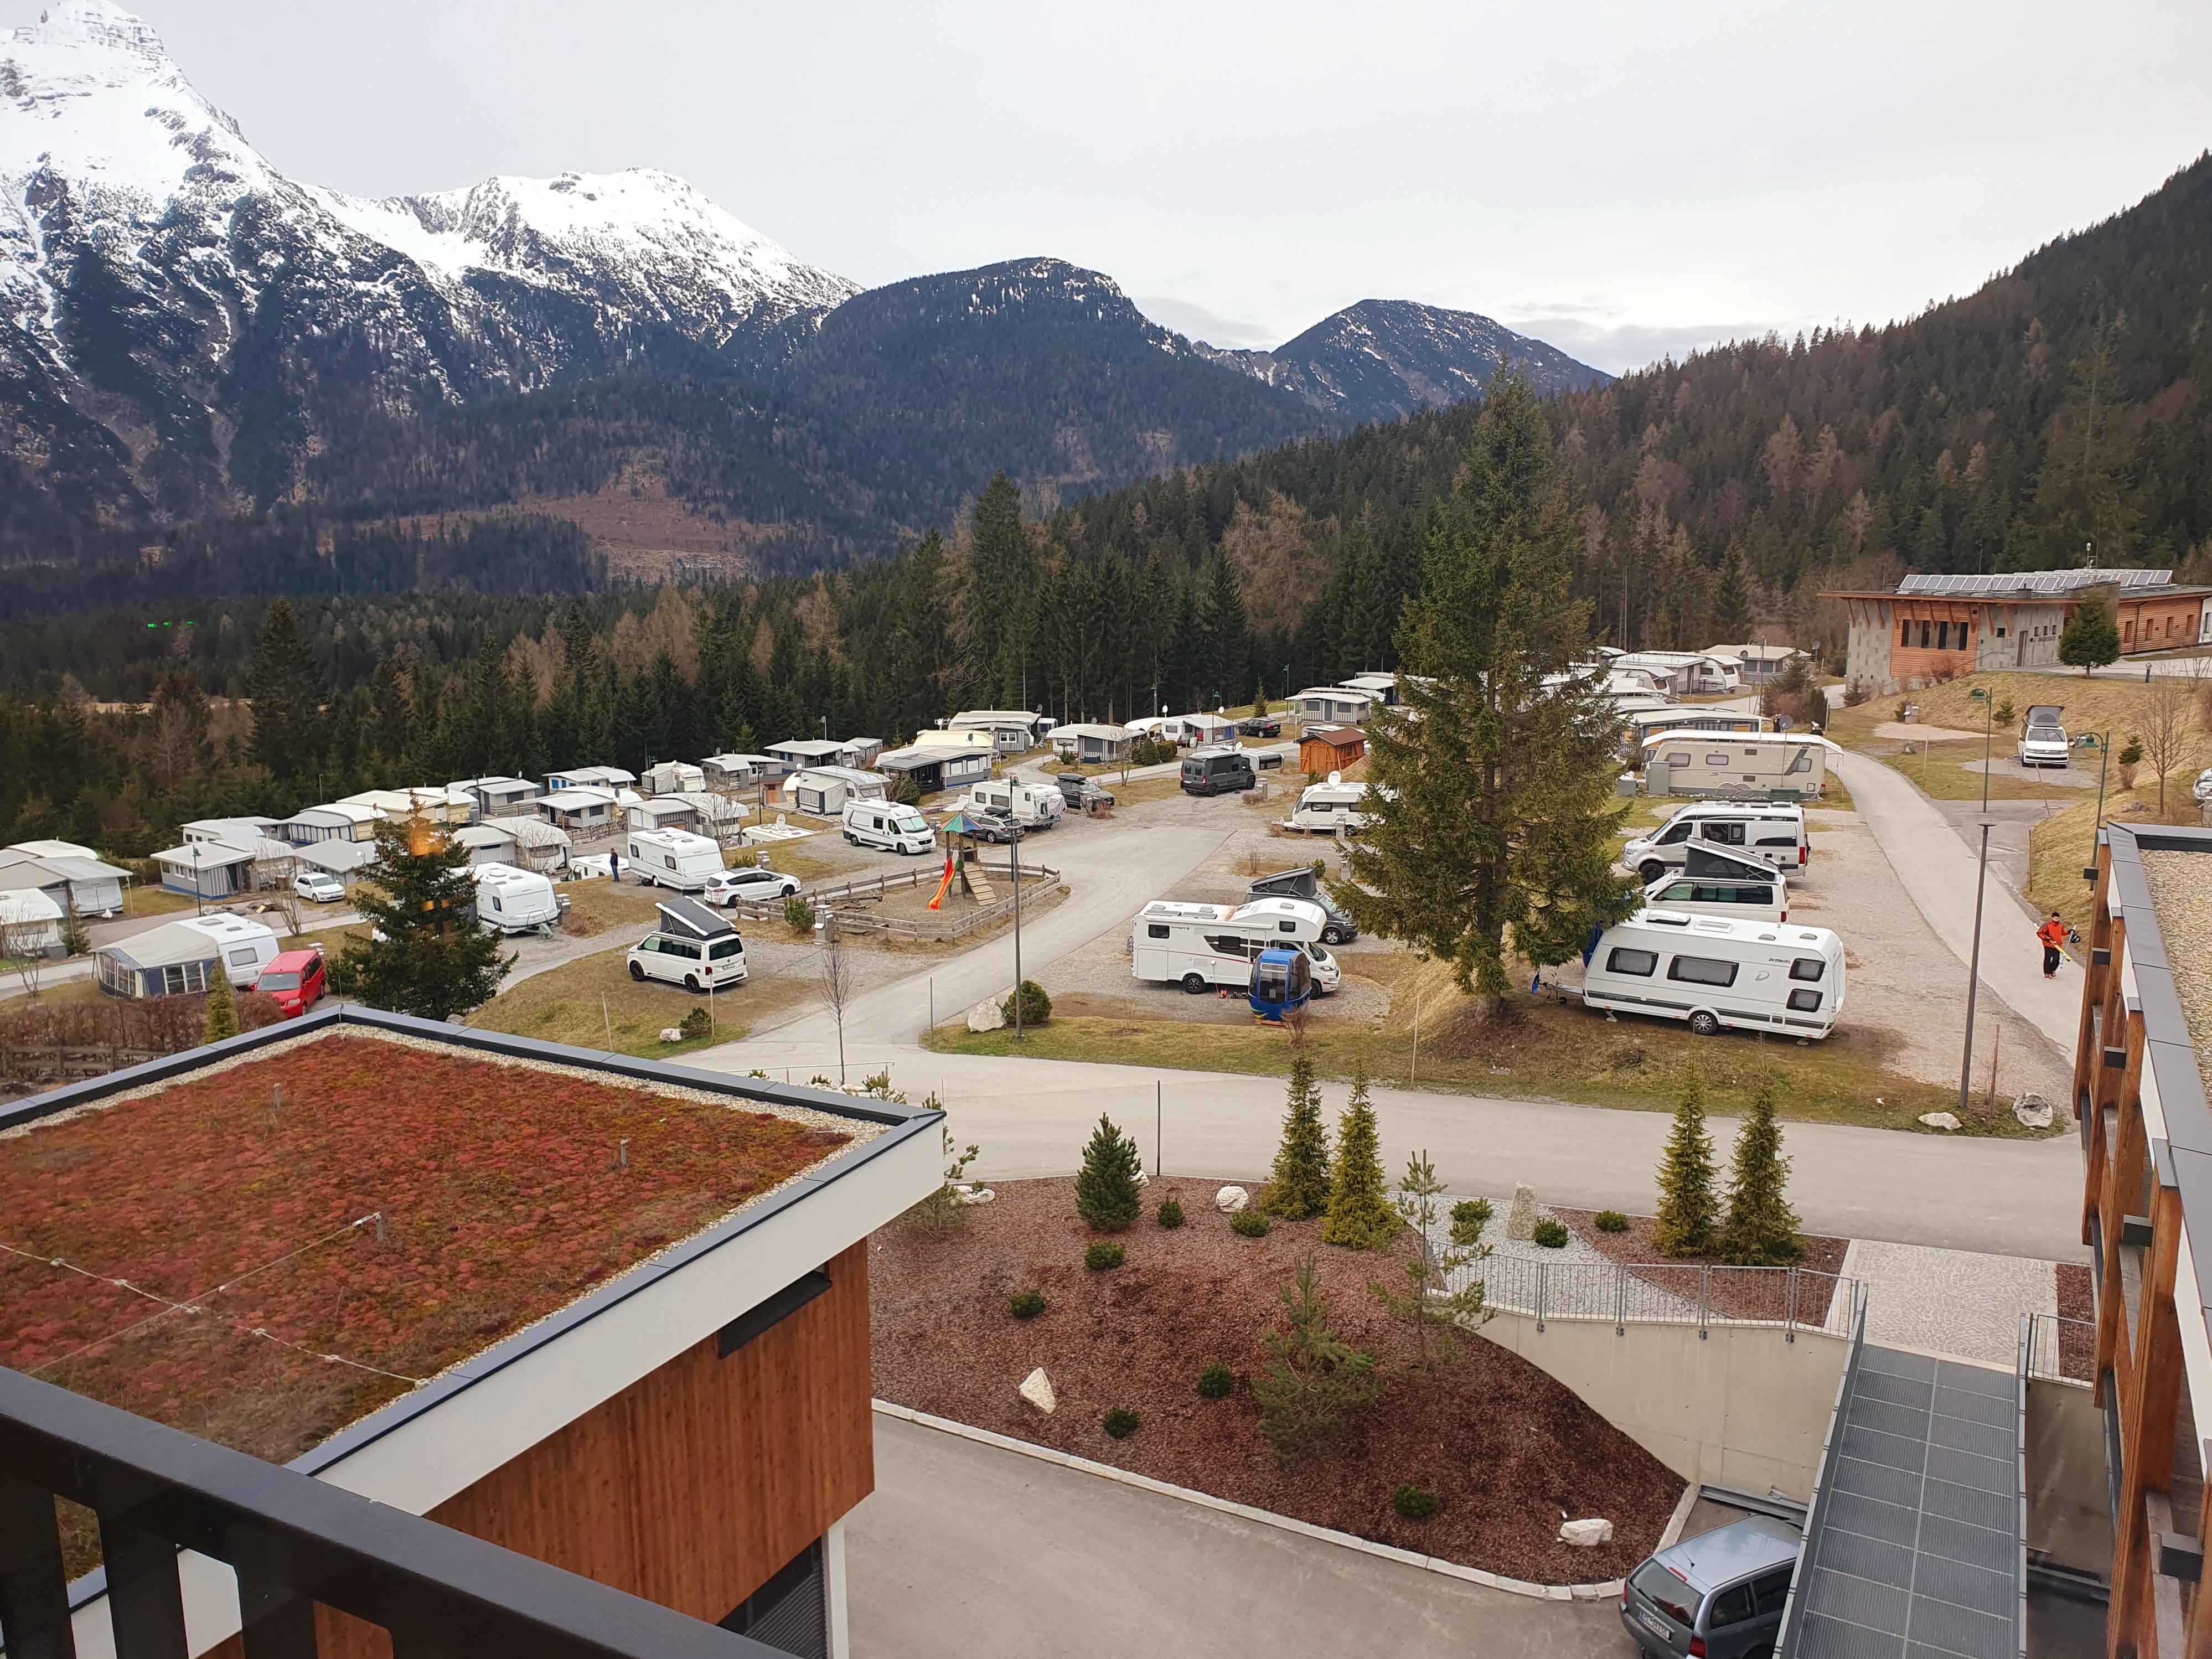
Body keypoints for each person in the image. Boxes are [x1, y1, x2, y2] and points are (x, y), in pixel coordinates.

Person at [2037, 912, 2068, 979]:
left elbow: (2062, 933)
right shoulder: (2047, 925)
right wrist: (2047, 939)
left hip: (2057, 945)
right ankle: (2047, 973)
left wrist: (2069, 932)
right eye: (2056, 918)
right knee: (2048, 959)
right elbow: (2040, 933)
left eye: (2058, 919)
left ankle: (2052, 970)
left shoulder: (2060, 926)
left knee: (2056, 959)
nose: (2057, 920)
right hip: (2048, 945)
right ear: (2052, 918)